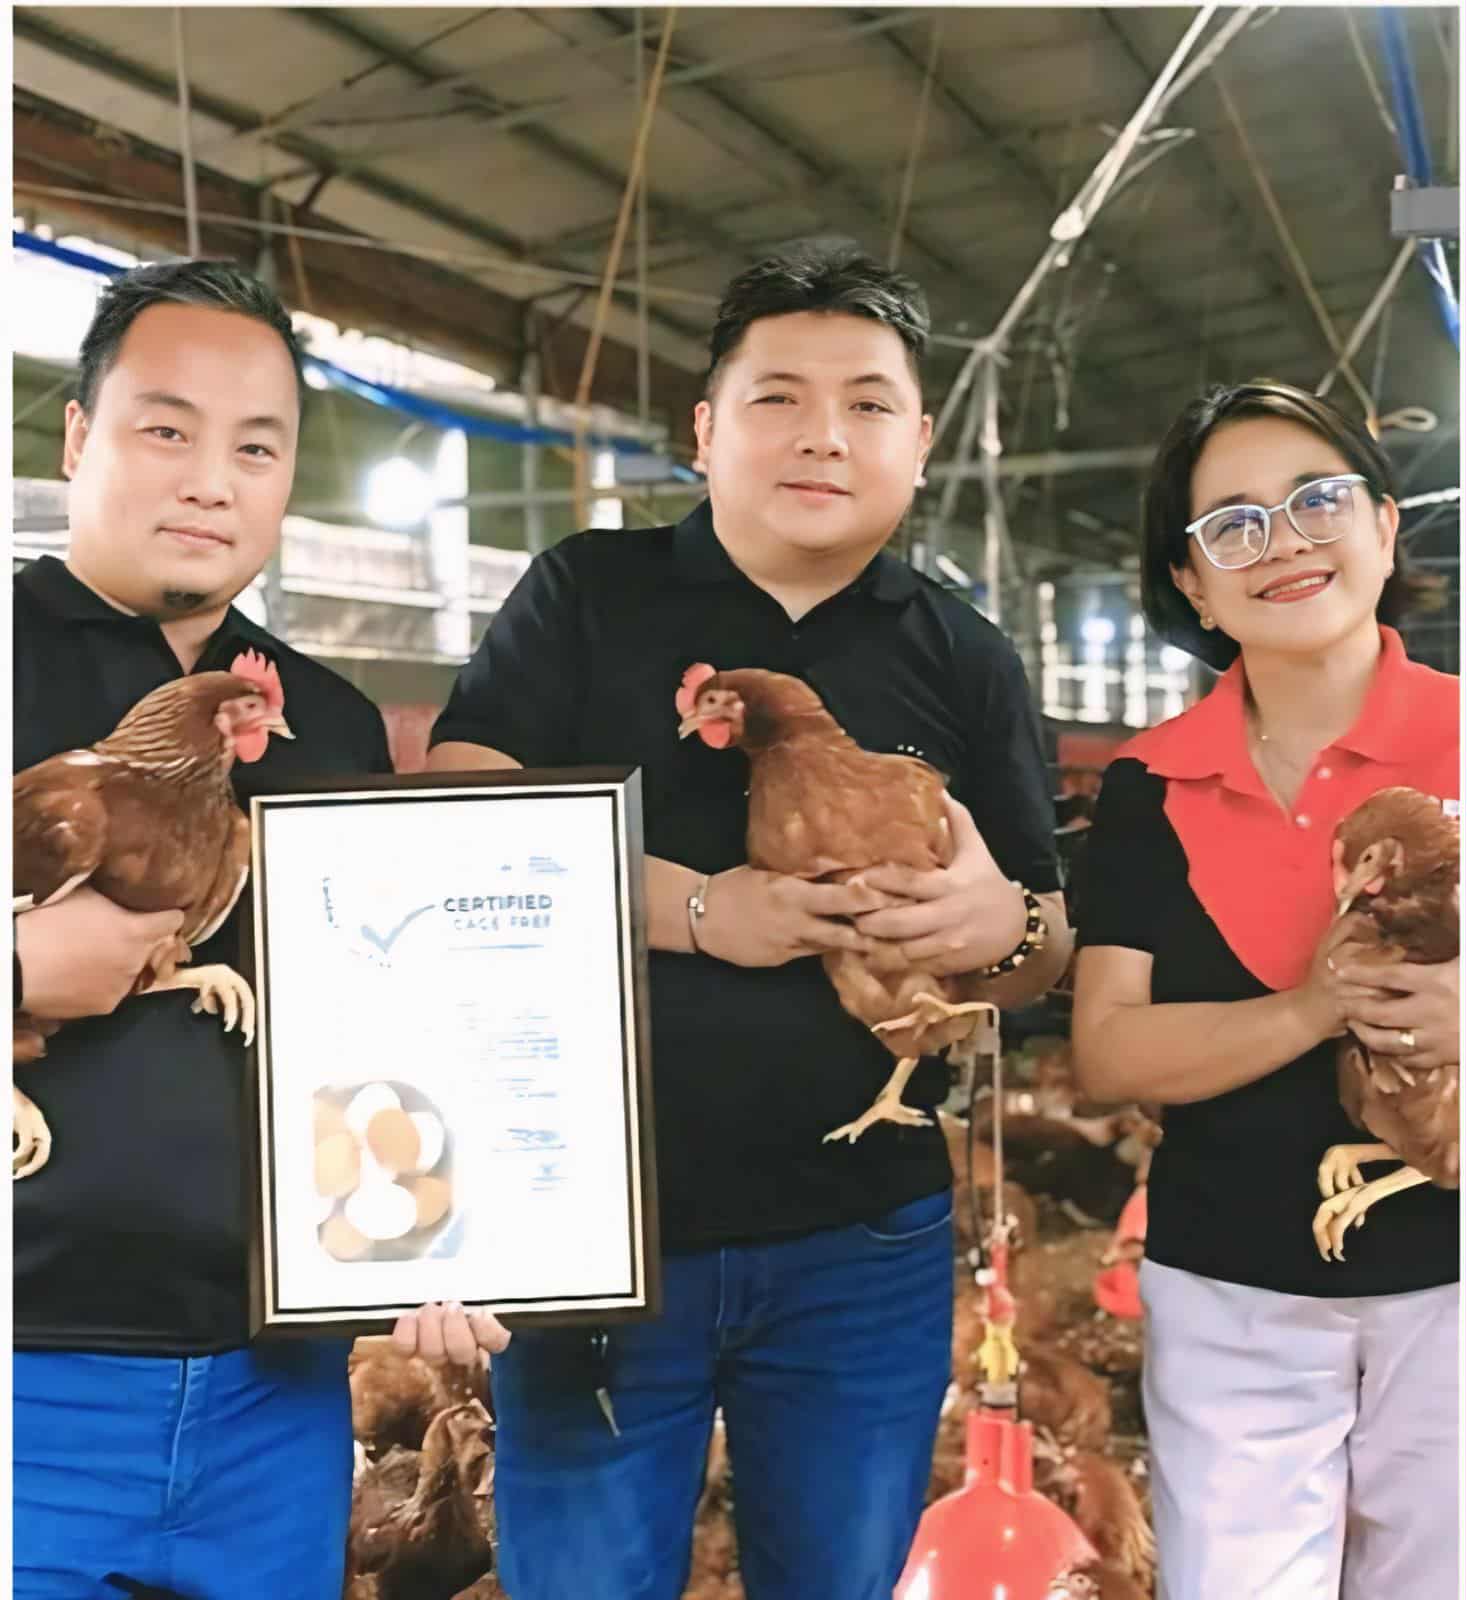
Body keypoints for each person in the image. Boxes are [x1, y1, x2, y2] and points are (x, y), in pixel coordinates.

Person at [412, 242, 1072, 1600]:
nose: (823, 434)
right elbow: (453, 826)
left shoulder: (964, 655)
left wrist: (998, 921)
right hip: (593, 1226)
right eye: (779, 397)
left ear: (917, 445)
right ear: (706, 430)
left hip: (861, 1242)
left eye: (867, 403)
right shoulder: (587, 593)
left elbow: (1045, 947)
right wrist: (709, 910)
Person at [11, 260, 508, 1600]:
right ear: (78, 437)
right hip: (27, 1381)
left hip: (274, 1395)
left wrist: (447, 1236)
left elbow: (381, 1014)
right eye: (166, 430)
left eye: (255, 447)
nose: (209, 481)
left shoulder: (325, 721)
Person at [1072, 380, 1458, 1598]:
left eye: (1317, 501)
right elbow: (1108, 1052)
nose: (1283, 542)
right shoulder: (1149, 784)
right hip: (1230, 1286)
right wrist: (1311, 1007)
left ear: (1384, 525)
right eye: (1233, 524)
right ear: (1192, 583)